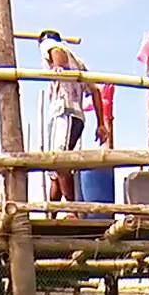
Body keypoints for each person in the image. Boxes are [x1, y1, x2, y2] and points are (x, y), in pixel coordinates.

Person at [39, 31, 108, 206]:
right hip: (74, 115)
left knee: (59, 161)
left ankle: (72, 209)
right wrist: (101, 123)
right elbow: (95, 90)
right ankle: (51, 214)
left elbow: (56, 51)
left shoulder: (50, 46)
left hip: (65, 111)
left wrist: (58, 66)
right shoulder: (79, 63)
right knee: (54, 169)